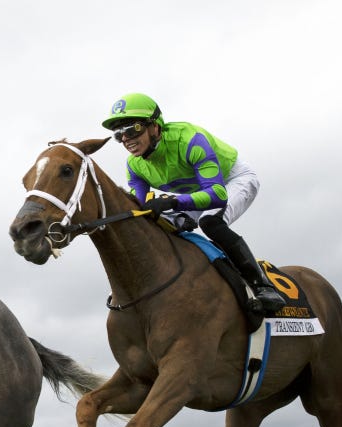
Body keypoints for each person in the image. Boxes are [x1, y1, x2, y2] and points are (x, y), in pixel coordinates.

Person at [102, 93, 286, 313]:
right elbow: (139, 208)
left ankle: (262, 285)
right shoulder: (134, 165)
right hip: (197, 192)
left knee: (211, 222)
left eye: (133, 130)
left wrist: (171, 202)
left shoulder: (190, 139)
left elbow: (217, 195)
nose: (126, 139)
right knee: (162, 225)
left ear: (155, 126)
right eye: (119, 134)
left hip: (231, 181)